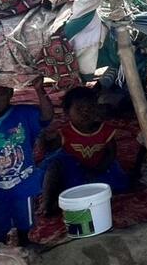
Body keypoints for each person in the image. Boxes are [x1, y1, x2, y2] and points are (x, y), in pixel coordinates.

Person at [0, 79, 54, 246]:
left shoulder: (23, 114)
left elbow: (47, 117)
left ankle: (25, 250)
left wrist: (39, 89)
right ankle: (0, 255)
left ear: (11, 93)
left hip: (23, 185)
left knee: (26, 228)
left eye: (0, 94)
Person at [42, 86, 129, 216]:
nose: (85, 113)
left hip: (99, 166)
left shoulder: (106, 130)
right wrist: (45, 140)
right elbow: (49, 149)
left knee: (117, 184)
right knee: (54, 167)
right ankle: (48, 204)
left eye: (90, 108)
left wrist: (99, 169)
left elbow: (111, 153)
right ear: (67, 112)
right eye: (79, 109)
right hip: (73, 169)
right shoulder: (64, 133)